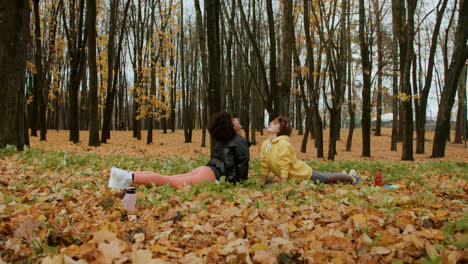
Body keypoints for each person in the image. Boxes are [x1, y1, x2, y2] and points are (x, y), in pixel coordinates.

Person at [108, 112, 250, 190]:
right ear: (230, 125)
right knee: (169, 181)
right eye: (233, 119)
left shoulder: (223, 141)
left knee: (169, 178)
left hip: (205, 170)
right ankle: (128, 177)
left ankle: (125, 175)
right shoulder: (239, 141)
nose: (237, 119)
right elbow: (241, 167)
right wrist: (239, 186)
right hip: (210, 176)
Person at [260, 116, 360, 185]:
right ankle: (343, 174)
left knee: (328, 178)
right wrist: (262, 184)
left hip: (304, 174)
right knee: (326, 177)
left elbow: (284, 165)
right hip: (294, 179)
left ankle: (352, 177)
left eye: (274, 123)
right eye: (271, 122)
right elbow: (265, 165)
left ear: (280, 129)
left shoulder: (283, 144)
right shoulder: (266, 144)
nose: (270, 123)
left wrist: (284, 185)